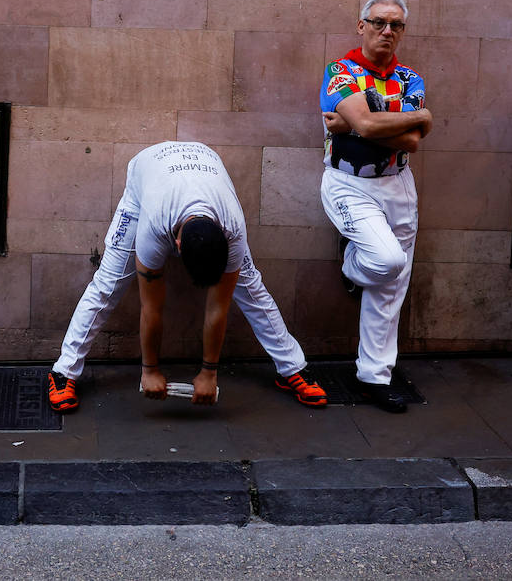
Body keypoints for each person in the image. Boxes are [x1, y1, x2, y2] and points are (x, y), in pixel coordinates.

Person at [47, 141, 326, 412]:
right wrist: (150, 370)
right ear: (176, 247)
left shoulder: (234, 231)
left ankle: (293, 368)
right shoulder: (155, 227)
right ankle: (64, 371)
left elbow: (218, 307)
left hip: (201, 164)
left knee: (251, 287)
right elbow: (151, 307)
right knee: (108, 283)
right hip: (149, 170)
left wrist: (209, 373)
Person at [319, 0, 431, 413]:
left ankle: (375, 375)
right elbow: (368, 121)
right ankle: (353, 265)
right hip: (349, 183)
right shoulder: (339, 72)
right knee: (385, 261)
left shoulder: (410, 78)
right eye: (379, 22)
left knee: (393, 285)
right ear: (361, 25)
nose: (387, 31)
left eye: (396, 25)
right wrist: (408, 117)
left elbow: (411, 141)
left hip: (398, 183)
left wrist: (353, 123)